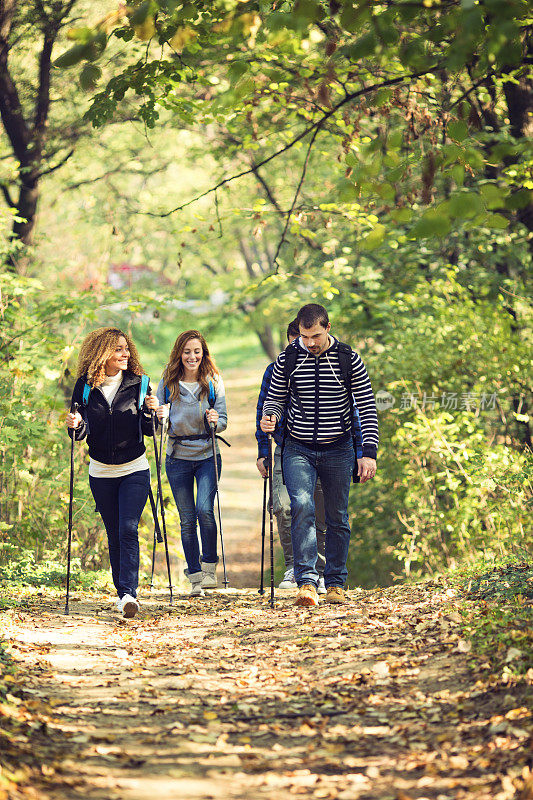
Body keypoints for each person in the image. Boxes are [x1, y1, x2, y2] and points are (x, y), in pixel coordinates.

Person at [261, 304, 378, 607]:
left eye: (314, 336)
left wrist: (368, 453)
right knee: (301, 506)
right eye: (304, 336)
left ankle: (336, 582)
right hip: (298, 447)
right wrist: (270, 416)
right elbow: (274, 399)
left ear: (327, 328)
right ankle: (307, 582)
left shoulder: (348, 358)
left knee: (337, 515)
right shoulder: (287, 358)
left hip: (338, 447)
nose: (309, 343)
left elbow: (366, 407)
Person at [66, 327, 158, 619]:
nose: (125, 354)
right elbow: (80, 434)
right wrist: (75, 424)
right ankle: (123, 595)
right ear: (102, 352)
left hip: (134, 468)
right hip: (101, 471)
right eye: (118, 349)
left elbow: (149, 431)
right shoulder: (84, 387)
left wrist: (150, 413)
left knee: (128, 529)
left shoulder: (140, 384)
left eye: (126, 349)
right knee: (114, 533)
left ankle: (130, 594)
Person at [256, 320, 329, 591]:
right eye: (297, 340)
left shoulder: (324, 366)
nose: (304, 345)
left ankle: (317, 571)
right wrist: (263, 451)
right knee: (284, 507)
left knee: (317, 510)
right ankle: (293, 567)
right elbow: (262, 410)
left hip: (321, 449)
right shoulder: (274, 370)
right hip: (284, 448)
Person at [155, 331, 227, 597]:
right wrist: (159, 416)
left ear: (203, 353)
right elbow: (156, 427)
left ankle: (209, 569)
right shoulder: (168, 383)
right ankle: (194, 577)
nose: (192, 357)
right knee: (187, 520)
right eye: (187, 352)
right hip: (177, 458)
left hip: (208, 455)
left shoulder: (213, 382)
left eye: (197, 351)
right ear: (179, 354)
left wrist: (215, 420)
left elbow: (223, 421)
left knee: (204, 510)